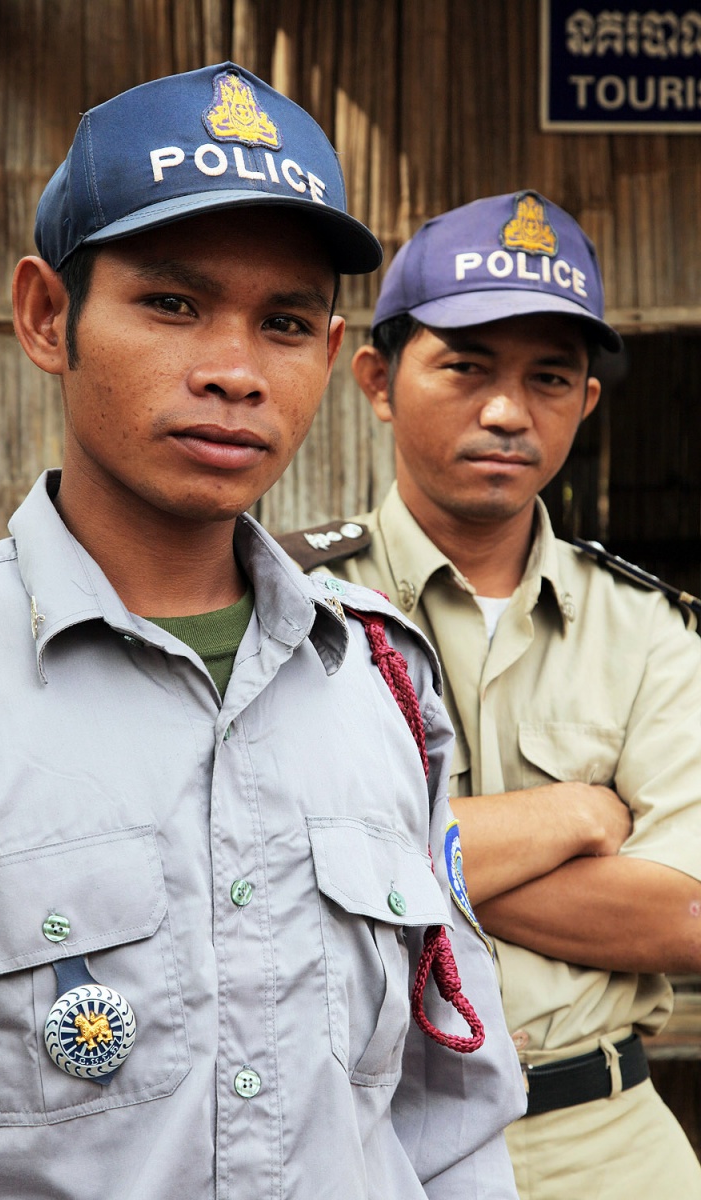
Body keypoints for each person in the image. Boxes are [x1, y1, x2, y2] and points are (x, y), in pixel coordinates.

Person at [0, 66, 526, 1199]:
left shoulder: (381, 681)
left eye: (283, 323)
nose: (236, 372)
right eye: (171, 305)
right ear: (49, 317)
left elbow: (448, 1119)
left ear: (329, 359)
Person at [284, 191, 701, 1199]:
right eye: (465, 367)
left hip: (604, 1143)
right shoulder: (286, 608)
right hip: (350, 1143)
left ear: (583, 403)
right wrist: (571, 816)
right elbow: (248, 866)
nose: (507, 410)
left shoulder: (648, 631)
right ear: (377, 381)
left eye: (547, 378)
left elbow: (681, 917)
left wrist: (374, 862)